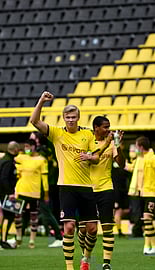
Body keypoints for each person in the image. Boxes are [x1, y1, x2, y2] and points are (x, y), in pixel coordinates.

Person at [30, 91, 110, 270]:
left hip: (86, 187)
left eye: (74, 117)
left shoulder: (88, 135)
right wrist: (42, 100)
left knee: (92, 230)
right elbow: (34, 121)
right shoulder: (57, 133)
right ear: (63, 118)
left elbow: (96, 158)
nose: (71, 120)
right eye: (68, 117)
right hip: (66, 186)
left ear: (79, 117)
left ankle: (86, 259)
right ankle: (69, 267)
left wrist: (89, 157)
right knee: (69, 228)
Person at [78, 116, 124, 270]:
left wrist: (119, 146)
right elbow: (90, 159)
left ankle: (106, 263)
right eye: (105, 127)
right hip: (87, 189)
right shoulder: (87, 141)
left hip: (105, 189)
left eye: (109, 127)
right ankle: (86, 255)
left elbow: (121, 164)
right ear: (96, 128)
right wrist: (105, 145)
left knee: (107, 228)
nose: (108, 130)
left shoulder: (112, 143)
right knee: (84, 229)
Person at [128, 136, 155, 256]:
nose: (135, 149)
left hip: (152, 193)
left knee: (147, 218)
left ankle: (153, 246)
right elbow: (131, 168)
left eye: (136, 146)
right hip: (140, 193)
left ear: (140, 147)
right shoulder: (139, 159)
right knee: (147, 221)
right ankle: (149, 246)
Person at [30, 131, 63, 247]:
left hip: (43, 186)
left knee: (46, 211)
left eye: (32, 138)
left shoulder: (40, 153)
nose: (30, 140)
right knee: (44, 211)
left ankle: (59, 237)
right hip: (46, 185)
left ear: (37, 140)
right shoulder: (47, 150)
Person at [13, 139, 48, 248]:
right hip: (21, 191)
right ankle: (18, 237)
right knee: (17, 215)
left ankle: (32, 240)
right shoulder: (22, 157)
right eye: (25, 146)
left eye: (28, 146)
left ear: (34, 147)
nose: (26, 149)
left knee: (34, 217)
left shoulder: (41, 160)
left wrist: (46, 193)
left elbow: (44, 178)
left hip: (34, 193)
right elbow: (8, 157)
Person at [0, 141, 20, 250]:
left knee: (9, 216)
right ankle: (3, 241)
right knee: (8, 216)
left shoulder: (5, 159)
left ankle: (3, 240)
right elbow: (4, 179)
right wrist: (10, 193)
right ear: (15, 150)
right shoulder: (8, 162)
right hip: (5, 193)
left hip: (3, 192)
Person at [111, 143, 131, 238]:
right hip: (116, 191)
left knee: (124, 210)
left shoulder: (123, 159)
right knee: (118, 211)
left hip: (123, 190)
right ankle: (119, 231)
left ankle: (116, 225)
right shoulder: (111, 160)